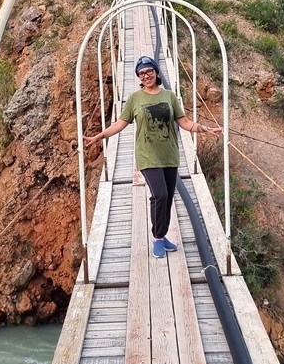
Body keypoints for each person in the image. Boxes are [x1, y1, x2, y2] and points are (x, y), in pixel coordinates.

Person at [84, 55, 222, 258]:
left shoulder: (169, 96)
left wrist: (205, 129)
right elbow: (120, 124)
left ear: (156, 71)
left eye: (149, 71)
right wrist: (100, 135)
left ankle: (163, 235)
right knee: (160, 195)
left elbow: (183, 122)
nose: (146, 75)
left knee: (166, 198)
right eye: (142, 73)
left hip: (169, 154)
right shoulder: (135, 99)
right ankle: (157, 238)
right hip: (147, 155)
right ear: (139, 77)